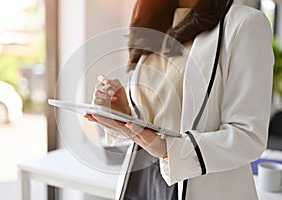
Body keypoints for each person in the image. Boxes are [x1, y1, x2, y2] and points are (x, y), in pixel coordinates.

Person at [85, 0, 274, 199]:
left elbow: (249, 136)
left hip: (205, 189)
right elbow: (162, 116)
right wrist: (127, 113)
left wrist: (171, 150)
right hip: (143, 183)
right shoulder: (156, 18)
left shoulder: (245, 24)